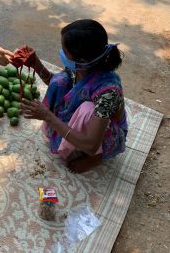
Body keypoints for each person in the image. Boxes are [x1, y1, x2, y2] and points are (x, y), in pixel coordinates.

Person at [21, 19, 128, 173]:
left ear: (82, 59)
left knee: (87, 111)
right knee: (60, 80)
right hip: (86, 117)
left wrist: (49, 116)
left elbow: (92, 144)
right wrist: (36, 64)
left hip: (106, 135)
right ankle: (71, 133)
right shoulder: (81, 67)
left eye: (64, 51)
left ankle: (95, 158)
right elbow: (55, 83)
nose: (62, 53)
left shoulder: (108, 91)